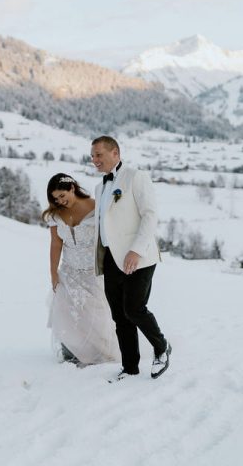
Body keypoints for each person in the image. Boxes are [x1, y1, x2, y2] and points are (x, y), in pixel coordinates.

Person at [91, 136, 172, 382]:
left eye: (99, 155)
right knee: (119, 316)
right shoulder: (100, 187)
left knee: (134, 309)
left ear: (115, 152)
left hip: (139, 257)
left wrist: (136, 250)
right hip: (111, 260)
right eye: (92, 156)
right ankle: (130, 368)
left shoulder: (136, 177)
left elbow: (150, 215)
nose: (94, 160)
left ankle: (161, 348)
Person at [43, 173, 119, 367]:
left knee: (98, 313)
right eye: (55, 198)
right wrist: (53, 273)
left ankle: (102, 351)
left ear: (72, 188)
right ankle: (72, 352)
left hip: (93, 271)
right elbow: (55, 245)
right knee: (68, 312)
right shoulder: (55, 215)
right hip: (69, 271)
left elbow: (110, 236)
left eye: (62, 195)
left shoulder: (96, 206)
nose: (60, 201)